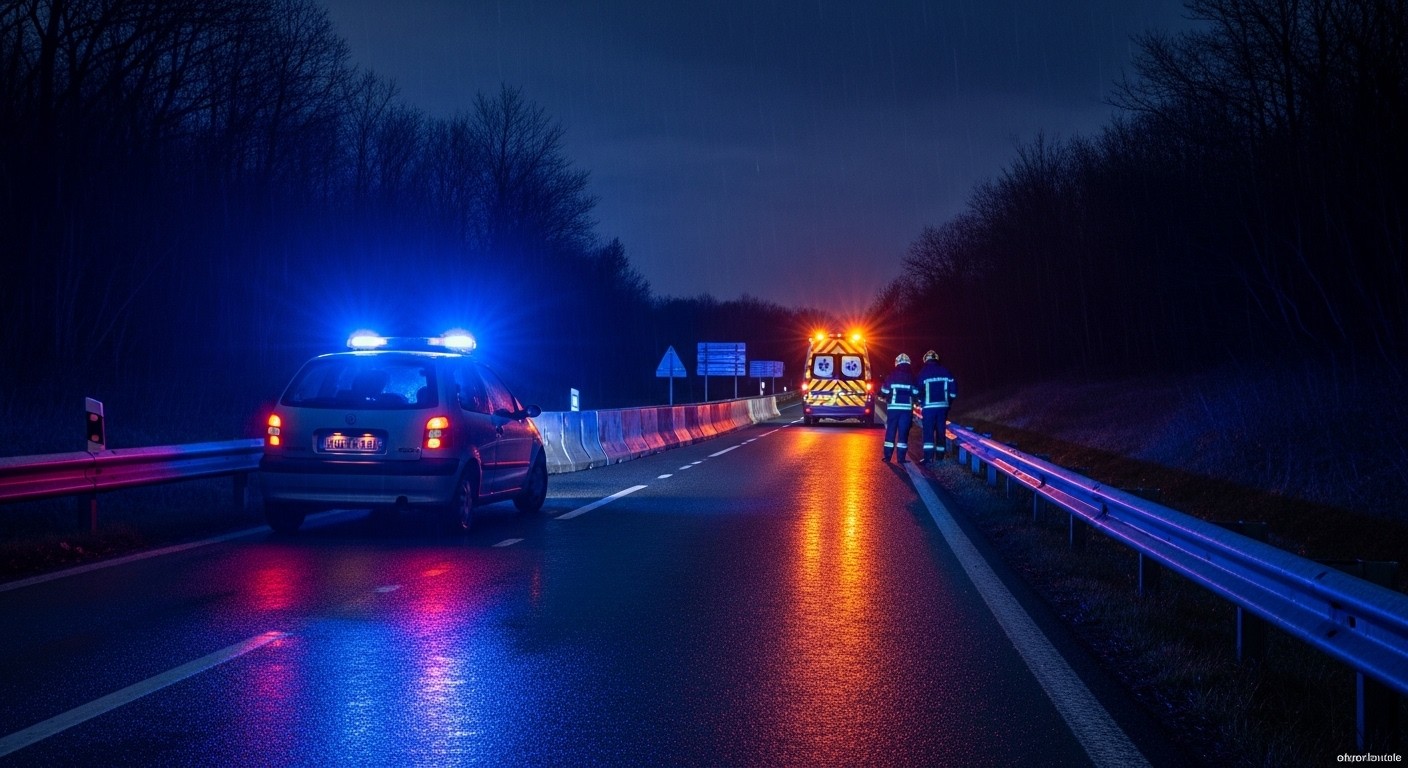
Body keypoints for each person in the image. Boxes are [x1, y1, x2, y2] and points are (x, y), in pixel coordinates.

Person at [916, 350, 957, 464]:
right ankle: (940, 457)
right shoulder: (945, 371)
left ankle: (928, 458)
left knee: (928, 432)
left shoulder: (923, 372)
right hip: (943, 408)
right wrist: (948, 403)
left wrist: (920, 401)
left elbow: (918, 390)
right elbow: (953, 391)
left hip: (928, 408)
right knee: (940, 431)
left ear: (926, 359)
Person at [880, 353, 918, 463]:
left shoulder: (892, 375)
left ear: (897, 363)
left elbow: (885, 391)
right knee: (903, 433)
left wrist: (885, 395)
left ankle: (887, 457)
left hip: (893, 409)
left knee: (891, 431)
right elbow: (915, 392)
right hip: (906, 410)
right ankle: (901, 459)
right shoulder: (911, 377)